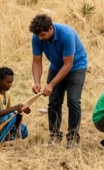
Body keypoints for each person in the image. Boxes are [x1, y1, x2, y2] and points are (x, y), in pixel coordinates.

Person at [30, 13, 88, 148]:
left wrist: (51, 84)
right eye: (38, 35)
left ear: (50, 28)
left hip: (76, 67)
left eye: (43, 35)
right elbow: (36, 61)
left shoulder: (66, 35)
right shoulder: (37, 37)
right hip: (56, 66)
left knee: (73, 101)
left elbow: (68, 64)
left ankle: (73, 137)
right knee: (54, 102)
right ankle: (55, 136)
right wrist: (37, 82)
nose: (40, 38)